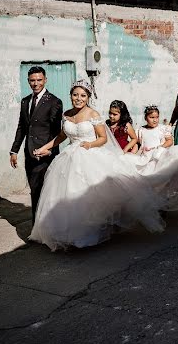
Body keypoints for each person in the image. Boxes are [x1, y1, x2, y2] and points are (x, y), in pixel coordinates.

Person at [27, 80, 166, 251]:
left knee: (87, 198)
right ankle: (67, 234)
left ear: (88, 97)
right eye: (75, 94)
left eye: (83, 95)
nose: (78, 98)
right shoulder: (67, 114)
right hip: (69, 158)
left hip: (89, 155)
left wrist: (89, 145)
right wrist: (44, 147)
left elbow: (103, 138)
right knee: (65, 196)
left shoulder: (93, 115)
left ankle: (86, 234)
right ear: (71, 95)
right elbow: (61, 136)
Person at [10, 66, 63, 225]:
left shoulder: (54, 101)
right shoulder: (25, 101)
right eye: (32, 80)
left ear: (45, 80)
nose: (36, 83)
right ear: (28, 81)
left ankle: (49, 226)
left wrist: (50, 151)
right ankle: (38, 228)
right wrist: (14, 150)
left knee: (46, 191)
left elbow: (57, 133)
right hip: (29, 154)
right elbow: (22, 127)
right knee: (34, 191)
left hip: (45, 155)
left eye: (39, 80)